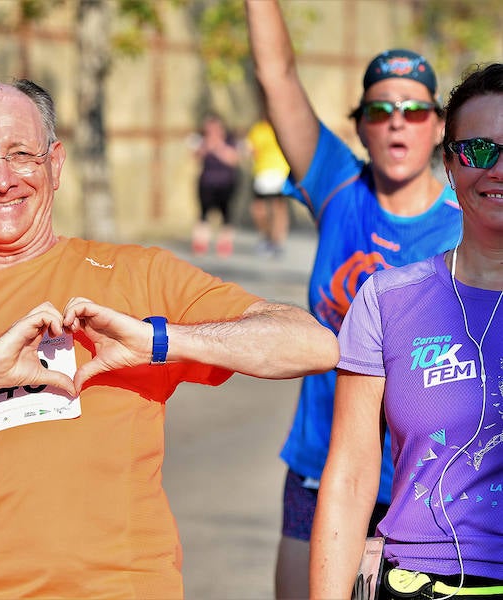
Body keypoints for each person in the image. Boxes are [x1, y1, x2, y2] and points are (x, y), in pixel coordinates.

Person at [0, 78, 339, 598]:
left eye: (22, 153)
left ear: (56, 164)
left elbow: (311, 344)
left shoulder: (136, 276)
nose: (1, 179)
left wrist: (159, 342)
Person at [244, 2, 464, 597]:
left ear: (440, 125)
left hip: (426, 486)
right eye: (380, 111)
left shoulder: (468, 225)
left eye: (415, 110)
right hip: (322, 468)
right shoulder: (338, 187)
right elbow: (277, 77)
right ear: (361, 126)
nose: (398, 123)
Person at [311, 62, 503, 600]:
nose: (497, 170)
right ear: (449, 163)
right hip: (417, 580)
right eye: (479, 150)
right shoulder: (387, 299)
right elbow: (350, 477)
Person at [192, 114, 242, 257]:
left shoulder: (230, 140)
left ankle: (224, 244)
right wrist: (206, 146)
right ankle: (200, 243)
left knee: (226, 214)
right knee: (203, 213)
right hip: (206, 182)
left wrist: (218, 147)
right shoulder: (201, 140)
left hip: (226, 182)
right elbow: (195, 157)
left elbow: (233, 159)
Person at [246, 117, 290, 257]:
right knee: (258, 209)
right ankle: (267, 237)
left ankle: (278, 241)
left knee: (278, 208)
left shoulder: (282, 126)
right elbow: (251, 150)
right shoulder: (257, 130)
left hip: (280, 172)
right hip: (262, 173)